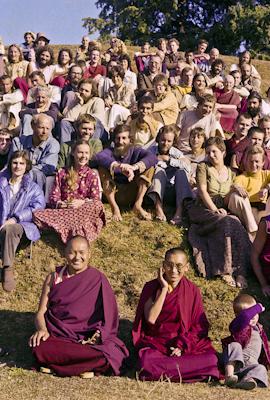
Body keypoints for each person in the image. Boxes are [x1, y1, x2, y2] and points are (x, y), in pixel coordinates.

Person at [29, 235, 128, 377]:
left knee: (110, 352)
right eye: (72, 252)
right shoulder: (54, 278)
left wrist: (99, 334)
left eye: (82, 252)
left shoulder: (97, 279)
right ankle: (85, 367)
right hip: (58, 336)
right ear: (65, 253)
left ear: (89, 254)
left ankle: (56, 364)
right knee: (39, 347)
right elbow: (41, 312)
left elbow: (110, 317)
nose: (77, 257)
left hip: (87, 340)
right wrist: (42, 330)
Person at [132, 247, 220, 382]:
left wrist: (182, 346)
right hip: (157, 343)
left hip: (183, 344)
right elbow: (151, 319)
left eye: (179, 266)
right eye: (169, 265)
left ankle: (164, 371)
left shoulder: (192, 290)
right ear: (163, 266)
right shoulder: (151, 287)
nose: (173, 271)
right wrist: (163, 289)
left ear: (186, 267)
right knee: (146, 362)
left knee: (212, 359)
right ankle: (191, 371)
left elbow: (199, 325)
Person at [188, 136, 250, 288]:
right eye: (208, 152)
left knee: (236, 224)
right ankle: (224, 270)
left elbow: (227, 198)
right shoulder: (203, 167)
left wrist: (234, 189)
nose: (211, 155)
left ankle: (240, 272)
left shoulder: (230, 172)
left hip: (223, 209)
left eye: (214, 152)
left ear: (223, 152)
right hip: (203, 207)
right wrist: (215, 210)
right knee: (225, 221)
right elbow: (202, 191)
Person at [34, 140, 105, 244]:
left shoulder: (92, 174)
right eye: (80, 152)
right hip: (65, 211)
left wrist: (82, 203)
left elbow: (96, 200)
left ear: (89, 155)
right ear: (73, 153)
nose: (83, 156)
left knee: (98, 206)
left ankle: (66, 228)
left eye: (86, 153)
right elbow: (54, 197)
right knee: (36, 214)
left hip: (82, 210)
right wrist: (61, 204)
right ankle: (76, 228)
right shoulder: (62, 172)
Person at [0, 150, 45, 292]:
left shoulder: (33, 188)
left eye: (21, 163)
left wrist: (15, 219)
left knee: (10, 229)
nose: (17, 166)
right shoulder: (1, 184)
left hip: (23, 226)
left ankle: (7, 268)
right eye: (15, 163)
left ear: (27, 166)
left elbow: (37, 207)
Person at [94, 124, 157, 221]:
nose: (120, 142)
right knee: (102, 168)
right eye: (117, 138)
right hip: (114, 192)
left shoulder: (136, 151)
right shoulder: (110, 151)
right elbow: (99, 157)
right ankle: (115, 208)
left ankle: (138, 205)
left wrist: (133, 167)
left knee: (149, 168)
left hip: (132, 191)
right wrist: (119, 167)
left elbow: (152, 158)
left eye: (124, 138)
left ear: (130, 140)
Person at [222, 294, 269, 390]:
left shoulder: (259, 329)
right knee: (235, 345)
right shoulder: (238, 326)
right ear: (237, 316)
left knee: (261, 368)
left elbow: (265, 348)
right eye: (251, 314)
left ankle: (248, 380)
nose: (252, 317)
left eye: (255, 314)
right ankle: (229, 376)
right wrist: (258, 307)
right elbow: (245, 316)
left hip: (249, 366)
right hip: (235, 362)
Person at [147, 124, 193, 224]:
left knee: (181, 172)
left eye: (169, 141)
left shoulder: (176, 153)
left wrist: (169, 160)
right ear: (158, 139)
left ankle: (179, 212)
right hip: (155, 192)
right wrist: (155, 160)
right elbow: (144, 162)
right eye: (163, 140)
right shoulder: (151, 151)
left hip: (174, 192)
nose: (165, 143)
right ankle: (158, 208)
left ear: (173, 142)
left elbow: (187, 167)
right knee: (159, 170)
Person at [10, 113, 60, 190]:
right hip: (17, 172)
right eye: (41, 127)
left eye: (47, 129)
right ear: (32, 126)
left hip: (38, 178)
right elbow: (11, 162)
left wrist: (26, 171)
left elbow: (47, 168)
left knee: (36, 174)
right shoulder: (18, 141)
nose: (44, 132)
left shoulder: (53, 144)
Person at [60, 78, 105, 144]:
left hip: (94, 131)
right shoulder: (75, 101)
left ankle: (91, 148)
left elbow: (98, 118)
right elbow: (68, 118)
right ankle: (65, 149)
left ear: (92, 93)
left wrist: (81, 121)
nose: (83, 92)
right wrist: (79, 104)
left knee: (96, 122)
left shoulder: (98, 101)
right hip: (79, 130)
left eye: (86, 91)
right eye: (81, 89)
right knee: (64, 123)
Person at [104, 66, 136, 131]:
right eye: (113, 77)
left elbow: (126, 103)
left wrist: (112, 104)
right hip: (114, 111)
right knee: (106, 109)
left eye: (117, 76)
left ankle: (110, 130)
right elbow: (108, 101)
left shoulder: (128, 87)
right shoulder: (111, 89)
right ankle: (104, 130)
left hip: (128, 112)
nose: (115, 79)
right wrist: (107, 102)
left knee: (115, 107)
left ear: (121, 77)